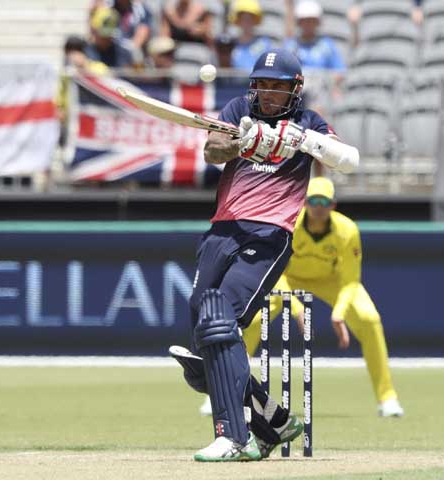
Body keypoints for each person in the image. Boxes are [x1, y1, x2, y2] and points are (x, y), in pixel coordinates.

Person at [175, 48, 359, 462]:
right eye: (262, 84)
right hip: (222, 230)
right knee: (206, 326)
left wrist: (302, 140)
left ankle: (234, 437)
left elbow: (349, 160)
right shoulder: (239, 108)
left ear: (295, 89)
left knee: (221, 318)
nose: (268, 93)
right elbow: (213, 149)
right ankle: (274, 422)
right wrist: (243, 140)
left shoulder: (308, 120)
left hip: (270, 233)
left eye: (278, 86)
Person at [242, 177, 405, 418]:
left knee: (370, 320)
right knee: (253, 320)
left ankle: (387, 398)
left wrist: (339, 314)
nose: (318, 207)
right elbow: (274, 272)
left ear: (333, 205)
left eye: (324, 202)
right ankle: (226, 394)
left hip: (332, 281)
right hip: (288, 280)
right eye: (313, 201)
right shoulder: (288, 223)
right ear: (304, 203)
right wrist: (297, 309)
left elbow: (350, 281)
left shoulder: (346, 230)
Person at [283, 0, 345, 73]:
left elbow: (339, 71)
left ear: (318, 22)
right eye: (305, 20)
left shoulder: (327, 45)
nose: (308, 24)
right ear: (299, 22)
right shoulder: (290, 46)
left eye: (312, 20)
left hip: (323, 83)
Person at [228, 0, 273, 71]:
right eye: (243, 18)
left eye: (250, 18)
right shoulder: (230, 45)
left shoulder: (264, 44)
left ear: (255, 20)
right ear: (238, 20)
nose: (246, 22)